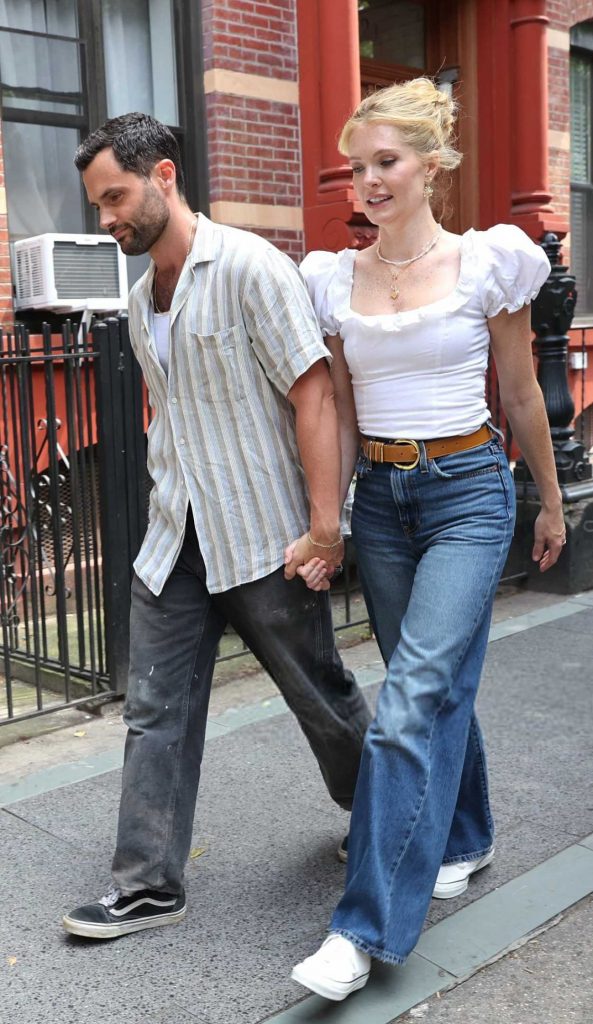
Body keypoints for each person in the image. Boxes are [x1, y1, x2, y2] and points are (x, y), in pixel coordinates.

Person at [62, 112, 371, 939]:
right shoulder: (136, 299)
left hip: (263, 532)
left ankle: (384, 820)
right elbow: (169, 411)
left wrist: (322, 528)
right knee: (154, 709)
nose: (106, 219)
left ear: (163, 176)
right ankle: (149, 883)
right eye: (97, 205)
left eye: (116, 197)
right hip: (175, 539)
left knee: (320, 696)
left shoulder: (248, 268)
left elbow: (312, 393)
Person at [290, 78, 565, 1001]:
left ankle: (361, 930)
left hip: (467, 494)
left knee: (410, 695)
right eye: (356, 166)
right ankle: (468, 835)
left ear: (431, 166)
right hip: (384, 502)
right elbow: (337, 405)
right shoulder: (333, 277)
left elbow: (522, 393)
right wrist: (329, 520)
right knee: (431, 678)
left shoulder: (490, 262)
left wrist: (552, 504)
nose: (366, 181)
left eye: (385, 162)